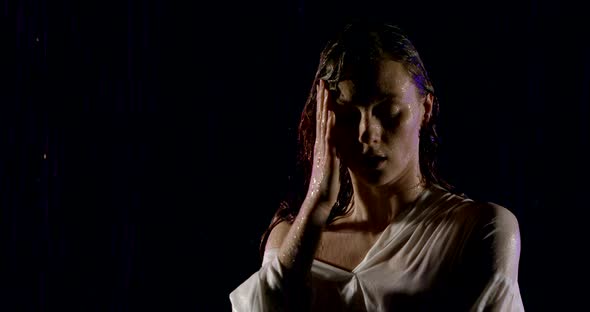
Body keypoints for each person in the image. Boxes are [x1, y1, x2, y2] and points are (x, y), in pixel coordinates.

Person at [229, 21, 524, 311]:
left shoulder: (477, 229)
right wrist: (316, 206)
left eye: (388, 112)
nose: (367, 134)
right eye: (347, 116)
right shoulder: (292, 237)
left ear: (426, 108)